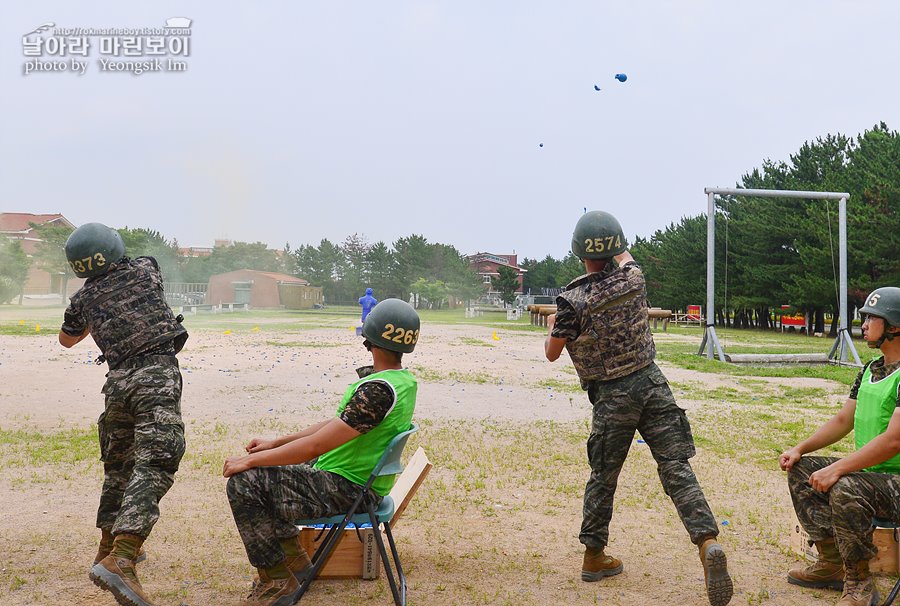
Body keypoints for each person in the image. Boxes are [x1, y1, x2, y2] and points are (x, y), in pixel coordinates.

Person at [544, 210, 733, 606]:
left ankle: (594, 556)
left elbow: (551, 354)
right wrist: (618, 244)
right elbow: (627, 257)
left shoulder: (572, 301)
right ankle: (707, 542)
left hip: (612, 396)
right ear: (616, 247)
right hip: (652, 384)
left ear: (579, 251)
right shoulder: (634, 278)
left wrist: (554, 325)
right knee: (676, 467)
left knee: (603, 476)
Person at [224, 298, 420, 606]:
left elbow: (316, 446)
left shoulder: (376, 391)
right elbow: (337, 425)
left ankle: (277, 579)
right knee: (265, 474)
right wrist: (276, 444)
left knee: (245, 483)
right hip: (356, 484)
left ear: (369, 340)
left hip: (348, 488)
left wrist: (250, 460)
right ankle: (294, 560)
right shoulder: (399, 382)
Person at [58, 222, 188, 606]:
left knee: (120, 467)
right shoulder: (145, 268)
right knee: (157, 463)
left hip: (117, 384)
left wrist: (93, 308)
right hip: (156, 376)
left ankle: (105, 549)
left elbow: (67, 339)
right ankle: (123, 556)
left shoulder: (83, 299)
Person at [780, 287, 900, 606]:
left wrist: (838, 468)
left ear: (895, 325)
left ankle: (860, 585)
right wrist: (800, 449)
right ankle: (832, 563)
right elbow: (843, 420)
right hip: (875, 477)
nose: (863, 325)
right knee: (802, 470)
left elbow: (894, 440)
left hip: (896, 479)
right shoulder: (871, 369)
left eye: (871, 318)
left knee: (845, 484)